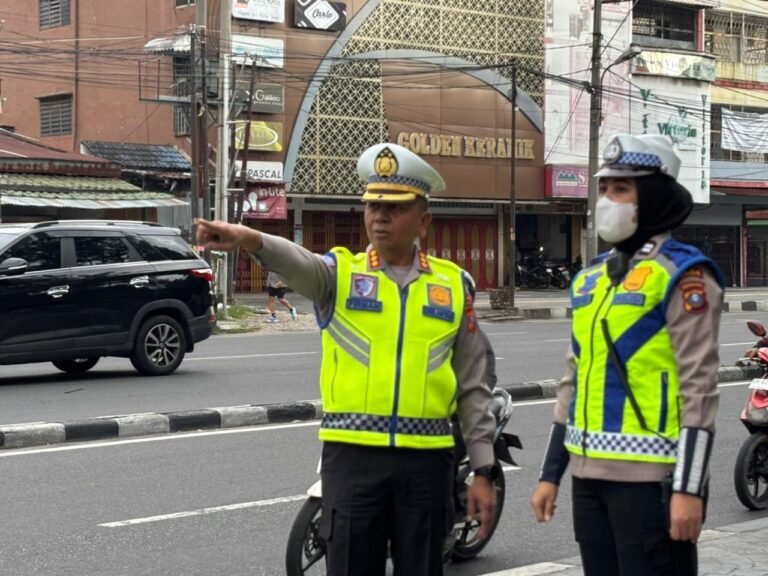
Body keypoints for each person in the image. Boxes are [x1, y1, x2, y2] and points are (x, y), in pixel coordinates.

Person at [196, 142, 497, 576]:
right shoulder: (340, 276)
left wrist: (484, 468)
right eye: (373, 205)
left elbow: (473, 385)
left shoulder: (453, 288)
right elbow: (295, 259)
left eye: (394, 207)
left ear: (424, 220)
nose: (379, 216)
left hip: (428, 465)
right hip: (354, 462)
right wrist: (249, 238)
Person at [530, 134, 725, 576]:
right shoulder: (591, 279)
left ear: (652, 196)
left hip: (652, 484)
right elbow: (573, 381)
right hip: (588, 479)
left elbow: (700, 390)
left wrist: (688, 489)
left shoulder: (683, 273)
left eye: (621, 189)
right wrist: (550, 474)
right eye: (603, 189)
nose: (607, 200)